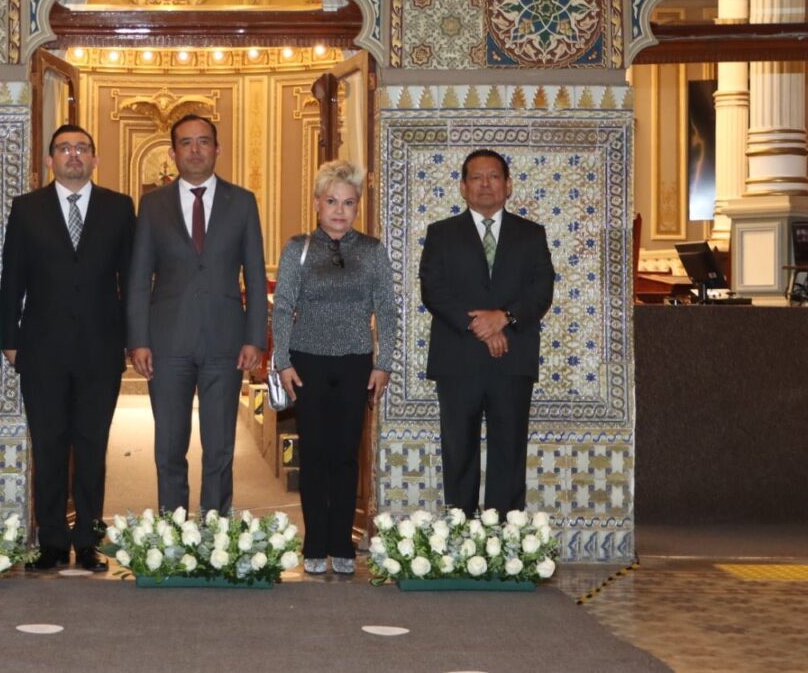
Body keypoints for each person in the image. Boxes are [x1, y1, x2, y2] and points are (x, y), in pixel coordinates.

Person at [0, 125, 136, 572]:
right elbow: (12, 279)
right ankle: (52, 541)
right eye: (64, 149)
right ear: (49, 160)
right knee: (50, 444)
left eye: (82, 149)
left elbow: (132, 282)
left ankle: (89, 541)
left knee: (93, 447)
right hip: (42, 349)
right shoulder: (27, 209)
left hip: (100, 348)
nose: (73, 155)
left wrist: (134, 340)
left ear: (95, 159)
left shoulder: (119, 208)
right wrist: (9, 339)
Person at [127, 114, 267, 514]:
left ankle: (215, 529)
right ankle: (172, 534)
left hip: (226, 341)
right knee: (169, 446)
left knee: (220, 446)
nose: (195, 149)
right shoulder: (153, 204)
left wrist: (255, 337)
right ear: (172, 153)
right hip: (167, 341)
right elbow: (139, 278)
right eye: (186, 143)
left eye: (203, 141)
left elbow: (255, 276)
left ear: (217, 149)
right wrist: (138, 339)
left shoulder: (242, 202)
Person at [271, 160, 397, 576]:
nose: (340, 210)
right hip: (306, 362)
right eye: (332, 202)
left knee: (345, 456)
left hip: (356, 363)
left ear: (357, 207)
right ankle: (315, 541)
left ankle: (341, 542)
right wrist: (283, 361)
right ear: (317, 204)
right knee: (316, 454)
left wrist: (384, 363)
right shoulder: (298, 249)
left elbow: (388, 311)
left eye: (349, 202)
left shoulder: (373, 251)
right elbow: (284, 307)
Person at [419, 149, 555, 515]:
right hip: (457, 359)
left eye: (493, 177)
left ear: (508, 185)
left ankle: (506, 540)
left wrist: (504, 317)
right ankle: (461, 534)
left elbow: (541, 290)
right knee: (458, 450)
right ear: (463, 187)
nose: (485, 184)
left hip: (513, 359)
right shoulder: (441, 234)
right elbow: (433, 290)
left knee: (508, 452)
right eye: (476, 178)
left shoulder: (532, 234)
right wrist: (479, 324)